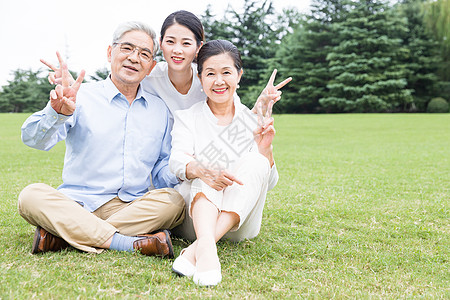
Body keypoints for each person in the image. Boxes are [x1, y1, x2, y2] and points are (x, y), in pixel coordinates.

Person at [18, 21, 185, 257]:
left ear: (151, 66)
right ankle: (125, 243)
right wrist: (57, 113)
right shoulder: (80, 97)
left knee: (174, 202)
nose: (134, 58)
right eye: (127, 48)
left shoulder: (159, 110)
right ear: (110, 52)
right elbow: (32, 139)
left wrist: (183, 169)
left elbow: (161, 168)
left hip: (131, 207)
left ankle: (63, 237)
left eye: (144, 54)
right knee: (30, 195)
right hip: (77, 203)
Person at [169, 40, 291, 286]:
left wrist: (265, 148)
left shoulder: (251, 119)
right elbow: (177, 161)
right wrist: (203, 170)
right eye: (210, 73)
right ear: (200, 78)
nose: (219, 81)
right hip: (195, 220)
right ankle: (207, 250)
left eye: (226, 72)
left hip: (239, 224)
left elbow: (268, 182)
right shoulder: (187, 117)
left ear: (239, 75)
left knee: (256, 160)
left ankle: (195, 252)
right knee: (207, 169)